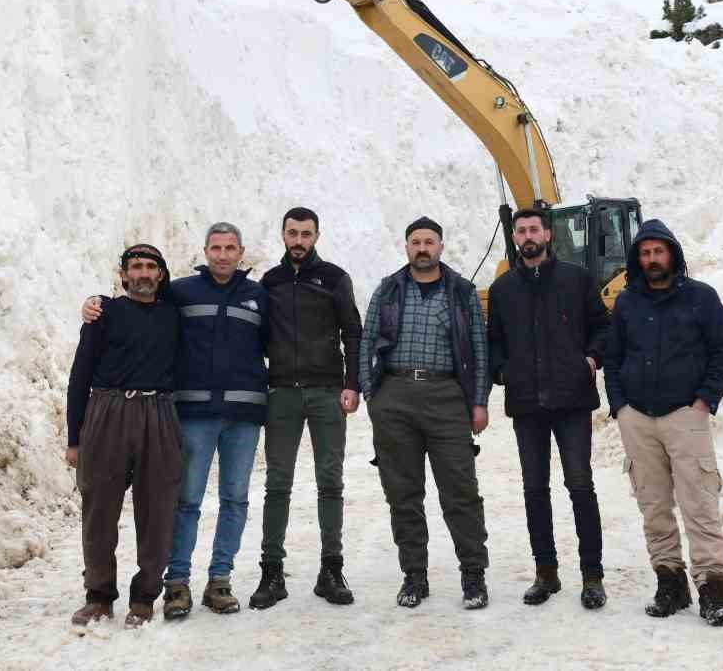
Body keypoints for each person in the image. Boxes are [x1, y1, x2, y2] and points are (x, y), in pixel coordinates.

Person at [82, 221, 269, 620]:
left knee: (232, 498)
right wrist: (96, 301)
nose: (222, 254)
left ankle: (216, 580)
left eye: (230, 248)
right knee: (183, 500)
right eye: (215, 247)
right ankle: (172, 584)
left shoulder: (258, 296)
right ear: (205, 251)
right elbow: (133, 303)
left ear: (241, 252)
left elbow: (274, 343)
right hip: (190, 413)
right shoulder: (180, 292)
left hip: (237, 414)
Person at [603, 219, 723, 627]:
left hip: (685, 415)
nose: (651, 259)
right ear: (636, 259)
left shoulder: (702, 298)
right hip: (638, 418)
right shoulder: (626, 303)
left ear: (673, 255)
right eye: (644, 253)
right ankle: (670, 583)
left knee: (700, 504)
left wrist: (704, 401)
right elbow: (613, 358)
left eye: (658, 252)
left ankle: (713, 591)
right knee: (653, 505)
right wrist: (620, 406)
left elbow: (722, 353)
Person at [359, 216, 491, 611]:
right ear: (406, 247)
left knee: (461, 491)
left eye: (429, 241)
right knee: (403, 494)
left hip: (446, 397)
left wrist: (478, 400)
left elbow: (479, 350)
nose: (422, 248)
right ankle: (414, 575)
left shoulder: (462, 291)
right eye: (415, 241)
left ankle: (473, 575)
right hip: (394, 397)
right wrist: (371, 393)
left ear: (441, 247)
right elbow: (366, 339)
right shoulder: (388, 290)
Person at [487, 207, 609, 610]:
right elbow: (494, 341)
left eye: (533, 229)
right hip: (527, 404)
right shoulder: (503, 289)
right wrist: (504, 372)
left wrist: (591, 359)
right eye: (520, 231)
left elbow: (602, 326)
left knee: (580, 486)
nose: (527, 236)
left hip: (571, 399)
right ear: (516, 237)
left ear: (547, 234)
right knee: (534, 490)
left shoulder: (577, 279)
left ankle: (592, 576)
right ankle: (546, 573)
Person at [249, 207, 362, 610]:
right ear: (282, 235)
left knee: (330, 481)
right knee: (277, 483)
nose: (299, 240)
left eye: (306, 234)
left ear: (316, 236)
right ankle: (271, 571)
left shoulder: (334, 278)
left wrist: (352, 384)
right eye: (292, 233)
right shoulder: (271, 282)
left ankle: (331, 569)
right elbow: (257, 336)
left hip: (327, 392)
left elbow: (353, 331)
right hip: (282, 393)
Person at [65, 243, 183, 630]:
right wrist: (74, 437)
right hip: (107, 410)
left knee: (158, 507)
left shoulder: (174, 314)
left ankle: (145, 596)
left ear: (161, 275)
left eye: (151, 267)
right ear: (123, 275)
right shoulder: (104, 314)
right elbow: (80, 375)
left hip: (159, 412)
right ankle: (98, 595)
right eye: (136, 266)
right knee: (99, 507)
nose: (143, 273)